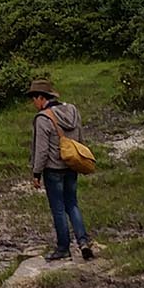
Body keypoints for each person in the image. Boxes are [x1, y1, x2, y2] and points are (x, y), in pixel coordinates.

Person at [29, 77, 94, 261]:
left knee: (58, 209)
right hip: (71, 165)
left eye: (34, 99)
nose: (34, 104)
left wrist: (36, 173)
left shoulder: (43, 118)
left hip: (53, 169)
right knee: (72, 204)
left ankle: (63, 247)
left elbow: (41, 150)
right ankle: (83, 242)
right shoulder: (72, 110)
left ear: (41, 98)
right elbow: (79, 136)